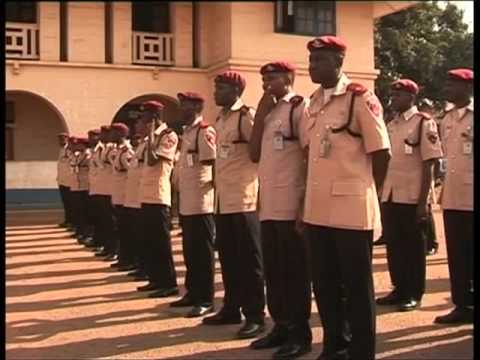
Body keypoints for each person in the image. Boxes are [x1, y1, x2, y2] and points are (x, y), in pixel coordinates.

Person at [301, 35, 391, 360]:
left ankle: (361, 351)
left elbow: (381, 153)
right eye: (311, 60)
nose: (312, 66)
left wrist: (372, 195)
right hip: (317, 210)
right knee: (324, 285)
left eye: (320, 60)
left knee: (356, 287)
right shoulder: (313, 101)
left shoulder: (360, 98)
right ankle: (334, 343)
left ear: (339, 62)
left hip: (352, 209)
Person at [248, 61, 312, 359]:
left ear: (289, 78)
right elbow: (253, 154)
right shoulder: (270, 112)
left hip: (291, 204)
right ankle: (280, 326)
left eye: (272, 78)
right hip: (269, 205)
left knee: (294, 273)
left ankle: (300, 334)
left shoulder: (299, 108)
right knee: (274, 272)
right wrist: (261, 110)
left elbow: (309, 156)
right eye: (264, 79)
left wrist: (304, 205)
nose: (266, 83)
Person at [202, 70, 266, 340]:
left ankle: (255, 316)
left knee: (249, 259)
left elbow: (258, 153)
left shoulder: (245, 116)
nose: (215, 93)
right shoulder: (221, 118)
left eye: (220, 88)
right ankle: (231, 307)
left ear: (235, 90)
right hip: (223, 200)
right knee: (228, 257)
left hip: (244, 200)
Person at [376, 79, 443, 312]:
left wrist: (423, 201)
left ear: (411, 98)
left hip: (412, 195)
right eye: (392, 96)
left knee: (413, 248)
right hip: (391, 194)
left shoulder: (423, 123)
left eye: (398, 96)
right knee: (394, 245)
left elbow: (429, 164)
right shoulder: (391, 124)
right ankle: (399, 288)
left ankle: (414, 292)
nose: (393, 100)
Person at [170, 92, 216, 318]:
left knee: (202, 253)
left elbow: (213, 164)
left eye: (185, 105)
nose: (181, 109)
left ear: (197, 107)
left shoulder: (204, 131)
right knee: (190, 251)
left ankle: (206, 299)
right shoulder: (187, 133)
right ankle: (192, 292)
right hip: (187, 201)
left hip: (201, 202)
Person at [434, 68, 473, 325]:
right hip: (452, 196)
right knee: (457, 255)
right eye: (447, 83)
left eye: (453, 84)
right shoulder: (446, 119)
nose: (447, 89)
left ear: (468, 88)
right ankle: (462, 305)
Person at [136, 100, 179, 298]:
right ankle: (155, 279)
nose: (141, 121)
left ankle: (168, 283)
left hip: (159, 195)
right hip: (146, 194)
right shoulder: (149, 138)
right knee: (149, 240)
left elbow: (154, 160)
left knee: (161, 242)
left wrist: (152, 133)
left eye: (145, 117)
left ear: (154, 117)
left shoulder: (168, 135)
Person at [123, 127, 149, 282]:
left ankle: (146, 269)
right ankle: (140, 266)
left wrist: (152, 134)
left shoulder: (152, 141)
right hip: (134, 195)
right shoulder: (142, 145)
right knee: (135, 233)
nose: (140, 124)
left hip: (146, 195)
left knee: (146, 236)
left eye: (143, 120)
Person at [109, 122, 136, 271]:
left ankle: (129, 259)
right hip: (119, 196)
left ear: (121, 134)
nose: (111, 135)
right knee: (121, 229)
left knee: (127, 230)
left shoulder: (127, 151)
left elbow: (131, 173)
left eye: (113, 132)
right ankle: (124, 257)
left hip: (126, 197)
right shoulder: (119, 150)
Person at [93, 126, 118, 261]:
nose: (100, 136)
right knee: (105, 220)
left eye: (103, 133)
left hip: (110, 189)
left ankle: (114, 249)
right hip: (102, 188)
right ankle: (108, 247)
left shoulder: (113, 150)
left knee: (112, 221)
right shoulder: (104, 149)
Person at [68, 137, 92, 243]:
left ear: (83, 145)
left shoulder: (88, 155)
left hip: (85, 186)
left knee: (85, 212)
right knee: (78, 211)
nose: (76, 146)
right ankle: (80, 231)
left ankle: (87, 232)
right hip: (77, 185)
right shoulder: (77, 155)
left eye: (79, 144)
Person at [56, 132, 74, 228]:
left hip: (69, 182)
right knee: (65, 203)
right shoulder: (61, 150)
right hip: (62, 180)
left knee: (70, 203)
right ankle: (67, 220)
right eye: (60, 138)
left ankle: (72, 221)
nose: (61, 140)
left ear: (67, 139)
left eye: (63, 138)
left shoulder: (69, 150)